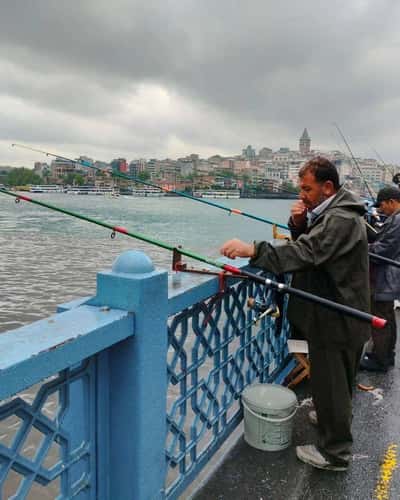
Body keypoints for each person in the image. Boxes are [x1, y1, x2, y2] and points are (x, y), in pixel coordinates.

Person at [220, 157, 370, 472]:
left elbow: (307, 253)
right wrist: (300, 225)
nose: (302, 195)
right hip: (342, 314)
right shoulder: (338, 213)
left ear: (328, 187)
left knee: (332, 383)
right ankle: (333, 420)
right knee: (337, 384)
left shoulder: (340, 218)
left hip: (335, 317)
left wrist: (253, 250)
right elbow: (316, 247)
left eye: (307, 188)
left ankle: (334, 454)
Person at [360, 186, 400, 372]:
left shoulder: (398, 220)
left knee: (380, 317)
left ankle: (380, 359)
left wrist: (362, 249)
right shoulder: (394, 219)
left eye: (382, 205)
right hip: (390, 277)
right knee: (388, 317)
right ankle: (387, 355)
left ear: (392, 202)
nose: (381, 209)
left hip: (386, 277)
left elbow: (385, 249)